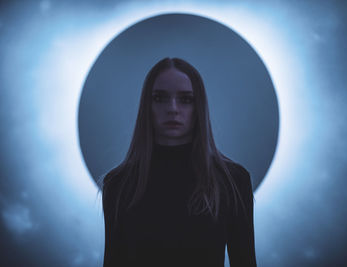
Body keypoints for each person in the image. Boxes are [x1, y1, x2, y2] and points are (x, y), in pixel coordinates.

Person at [101, 57, 257, 267]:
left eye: (185, 99)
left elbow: (245, 262)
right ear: (147, 106)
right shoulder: (118, 184)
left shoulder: (233, 181)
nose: (172, 108)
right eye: (159, 98)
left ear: (198, 106)